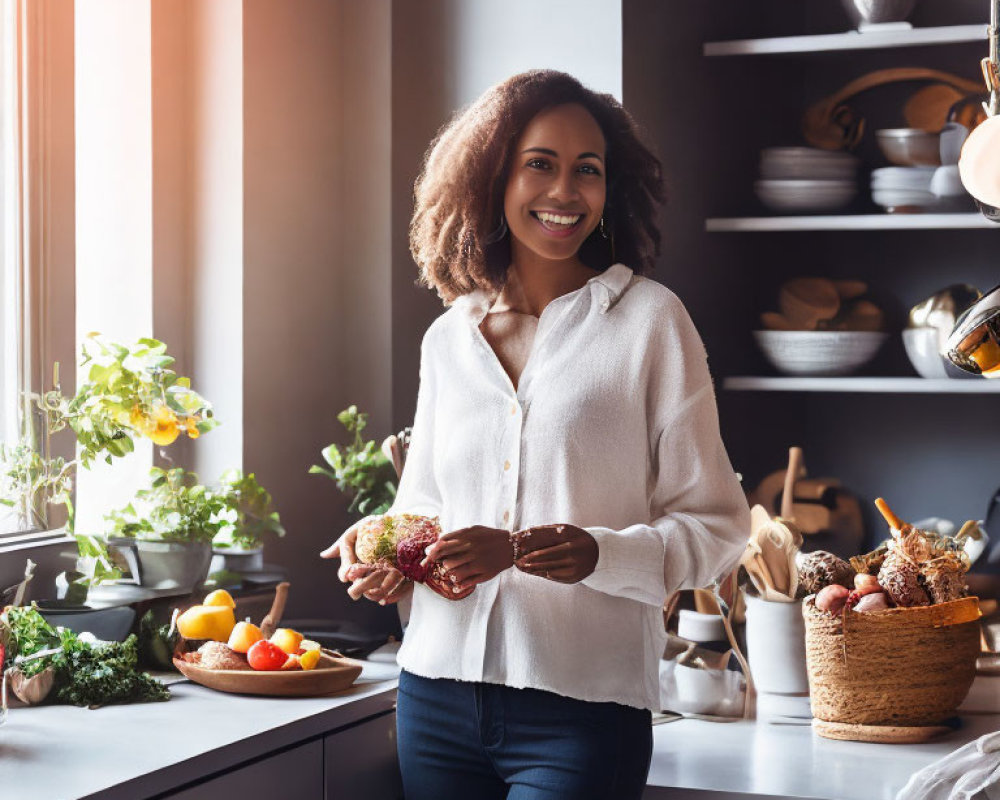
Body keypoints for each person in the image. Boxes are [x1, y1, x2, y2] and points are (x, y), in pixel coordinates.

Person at [321, 69, 750, 800]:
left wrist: (595, 553)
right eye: (540, 164)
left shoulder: (650, 323)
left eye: (589, 170)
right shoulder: (447, 339)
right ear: (493, 178)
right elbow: (425, 505)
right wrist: (390, 549)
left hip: (582, 712)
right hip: (434, 699)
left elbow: (717, 529)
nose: (566, 192)